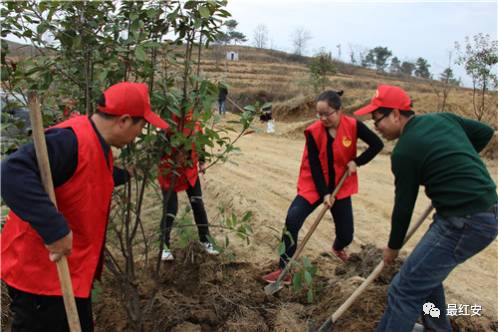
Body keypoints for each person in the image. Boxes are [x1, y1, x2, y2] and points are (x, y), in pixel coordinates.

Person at [1, 82, 169, 332]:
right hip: (41, 277)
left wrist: (125, 174)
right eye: (141, 126)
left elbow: (88, 175)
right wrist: (55, 229)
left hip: (70, 274)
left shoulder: (97, 143)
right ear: (123, 120)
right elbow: (11, 173)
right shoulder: (70, 140)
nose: (139, 134)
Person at [354, 84, 498, 332]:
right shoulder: (443, 119)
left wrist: (393, 247)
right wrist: (452, 160)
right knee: (427, 279)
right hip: (480, 213)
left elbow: (404, 207)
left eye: (377, 119)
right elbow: (484, 132)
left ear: (397, 114)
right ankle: (437, 328)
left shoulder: (404, 152)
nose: (375, 126)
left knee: (403, 290)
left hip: (464, 222)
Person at [262, 90, 383, 284]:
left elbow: (377, 145)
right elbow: (315, 165)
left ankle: (338, 248)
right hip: (314, 183)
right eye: (319, 114)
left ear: (339, 110)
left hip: (340, 184)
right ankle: (284, 269)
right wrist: (325, 193)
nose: (323, 118)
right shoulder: (313, 132)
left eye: (327, 114)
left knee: (346, 234)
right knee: (292, 219)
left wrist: (357, 162)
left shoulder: (353, 126)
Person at [157, 110, 219, 261]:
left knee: (198, 204)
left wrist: (202, 161)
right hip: (170, 171)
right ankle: (163, 247)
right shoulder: (167, 123)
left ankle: (205, 240)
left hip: (189, 171)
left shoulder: (194, 122)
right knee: (171, 208)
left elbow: (200, 141)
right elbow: (157, 148)